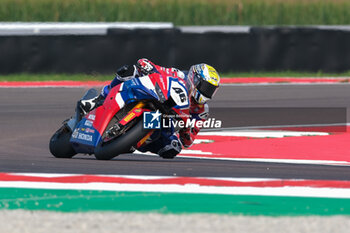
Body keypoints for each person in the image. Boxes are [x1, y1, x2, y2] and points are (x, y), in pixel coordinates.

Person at [80, 58, 220, 158]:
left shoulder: (201, 112)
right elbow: (156, 68)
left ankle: (131, 143)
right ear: (195, 79)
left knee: (173, 148)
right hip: (155, 96)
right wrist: (147, 66)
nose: (208, 93)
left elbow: (187, 142)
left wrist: (186, 127)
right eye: (206, 87)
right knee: (129, 70)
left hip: (167, 122)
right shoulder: (178, 75)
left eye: (211, 90)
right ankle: (98, 99)